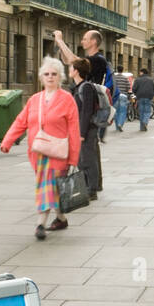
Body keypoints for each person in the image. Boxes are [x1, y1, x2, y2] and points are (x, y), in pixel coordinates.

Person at [1, 57, 81, 239]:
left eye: (54, 74)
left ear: (60, 77)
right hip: (37, 153)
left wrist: (73, 158)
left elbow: (74, 132)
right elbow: (21, 122)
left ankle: (40, 224)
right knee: (52, 188)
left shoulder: (67, 99)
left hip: (59, 154)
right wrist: (7, 141)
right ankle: (61, 218)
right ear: (41, 77)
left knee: (47, 185)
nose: (50, 77)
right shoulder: (34, 100)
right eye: (47, 74)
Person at [53, 29, 111, 142]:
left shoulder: (98, 59)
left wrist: (60, 41)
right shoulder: (90, 59)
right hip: (82, 100)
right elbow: (68, 61)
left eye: (85, 39)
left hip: (88, 102)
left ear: (93, 41)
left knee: (87, 145)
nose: (82, 41)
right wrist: (61, 47)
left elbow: (73, 61)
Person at [66, 57, 102, 201]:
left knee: (88, 159)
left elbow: (87, 111)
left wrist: (82, 132)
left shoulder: (86, 87)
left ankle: (92, 189)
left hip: (87, 129)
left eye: (71, 68)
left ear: (76, 71)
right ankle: (87, 186)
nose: (69, 70)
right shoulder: (76, 87)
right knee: (82, 160)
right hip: (79, 129)